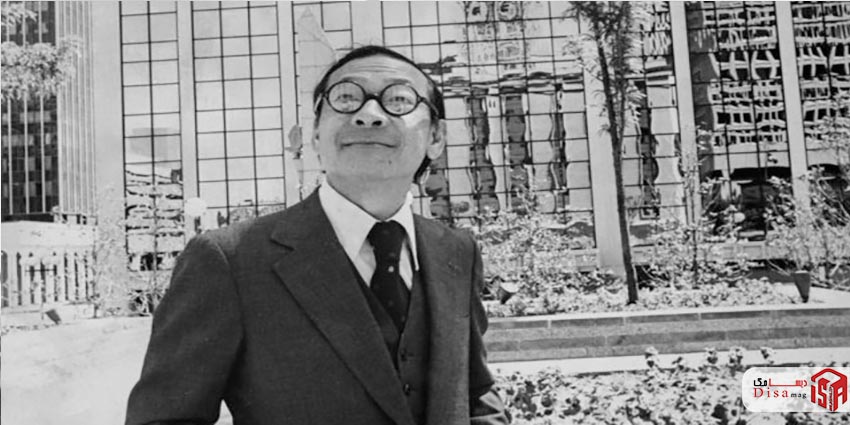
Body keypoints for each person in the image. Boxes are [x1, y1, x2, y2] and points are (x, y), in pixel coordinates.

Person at [125, 45, 508, 425]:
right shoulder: (230, 260)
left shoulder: (456, 251)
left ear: (436, 137)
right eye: (346, 98)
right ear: (315, 134)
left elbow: (474, 394)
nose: (369, 114)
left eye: (398, 100)